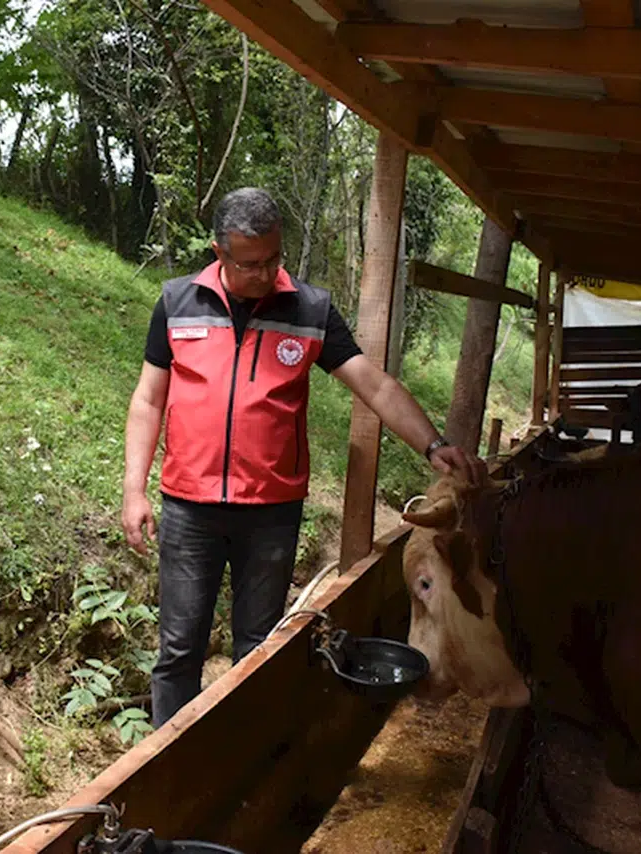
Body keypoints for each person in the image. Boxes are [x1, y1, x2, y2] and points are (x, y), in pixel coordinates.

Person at [122, 187, 484, 728]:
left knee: (258, 647)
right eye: (250, 264)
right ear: (219, 253)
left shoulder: (309, 309)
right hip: (189, 508)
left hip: (271, 514)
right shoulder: (177, 303)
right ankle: (166, 759)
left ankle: (249, 751)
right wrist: (134, 489)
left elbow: (375, 385)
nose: (265, 274)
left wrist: (433, 445)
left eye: (274, 259)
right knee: (179, 649)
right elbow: (149, 399)